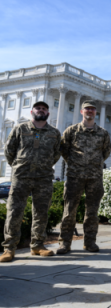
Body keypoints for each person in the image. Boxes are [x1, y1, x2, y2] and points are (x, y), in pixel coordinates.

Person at [0, 101, 61, 262]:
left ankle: (37, 246)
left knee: (41, 213)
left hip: (44, 178)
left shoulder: (54, 132)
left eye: (44, 109)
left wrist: (44, 165)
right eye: (38, 108)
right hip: (21, 177)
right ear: (32, 111)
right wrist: (19, 165)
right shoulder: (20, 128)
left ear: (48, 113)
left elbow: (56, 154)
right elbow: (9, 150)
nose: (41, 110)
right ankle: (9, 248)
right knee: (14, 212)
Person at [56, 100, 111, 254]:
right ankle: (65, 243)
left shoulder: (103, 133)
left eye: (93, 109)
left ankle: (90, 242)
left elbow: (106, 151)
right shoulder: (71, 131)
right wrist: (76, 163)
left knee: (92, 212)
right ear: (81, 111)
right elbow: (64, 150)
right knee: (69, 211)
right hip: (74, 176)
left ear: (96, 112)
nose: (90, 111)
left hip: (95, 177)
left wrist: (93, 163)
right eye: (87, 109)